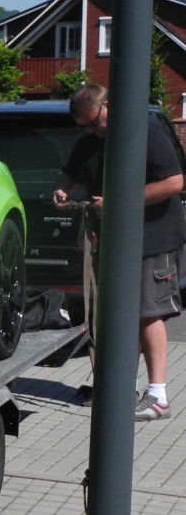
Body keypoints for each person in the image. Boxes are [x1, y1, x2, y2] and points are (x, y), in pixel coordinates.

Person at [53, 83, 186, 420]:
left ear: (108, 105)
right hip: (112, 243)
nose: (90, 130)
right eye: (83, 125)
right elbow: (70, 171)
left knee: (148, 312)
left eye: (93, 122)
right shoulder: (91, 140)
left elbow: (174, 182)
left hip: (152, 239)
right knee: (119, 316)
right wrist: (62, 189)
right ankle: (123, 387)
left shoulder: (146, 130)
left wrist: (119, 201)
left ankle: (158, 396)